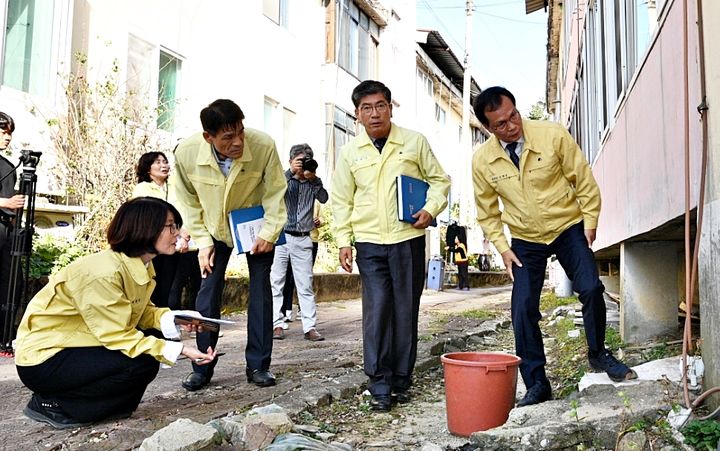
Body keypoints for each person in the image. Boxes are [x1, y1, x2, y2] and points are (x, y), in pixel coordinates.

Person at [471, 86, 637, 407]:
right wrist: (504, 248)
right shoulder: (483, 161)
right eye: (501, 125)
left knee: (590, 287)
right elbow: (487, 211)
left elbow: (583, 180)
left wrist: (590, 222)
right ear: (488, 129)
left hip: (567, 226)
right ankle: (537, 382)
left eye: (513, 116)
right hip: (525, 239)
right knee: (522, 309)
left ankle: (598, 353)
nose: (512, 126)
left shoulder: (552, 135)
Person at [14, 197, 217, 429]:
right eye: (171, 226)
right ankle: (53, 404)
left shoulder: (139, 264)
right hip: (44, 358)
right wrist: (181, 349)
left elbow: (140, 312)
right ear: (145, 228)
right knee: (138, 363)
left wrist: (177, 318)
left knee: (143, 365)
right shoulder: (103, 272)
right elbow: (117, 335)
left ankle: (89, 406)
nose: (178, 233)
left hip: (78, 345)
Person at [332, 80, 450, 411]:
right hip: (369, 242)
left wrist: (430, 208)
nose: (375, 113)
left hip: (408, 239)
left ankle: (401, 377)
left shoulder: (413, 142)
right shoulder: (350, 152)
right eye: (367, 108)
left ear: (390, 108)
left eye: (380, 105)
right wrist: (343, 240)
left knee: (405, 309)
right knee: (377, 310)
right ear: (357, 114)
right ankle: (379, 381)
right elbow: (341, 199)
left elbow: (440, 180)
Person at [174, 99, 287, 390]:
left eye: (240, 132)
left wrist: (270, 232)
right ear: (208, 137)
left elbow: (276, 191)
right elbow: (187, 200)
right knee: (207, 293)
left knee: (261, 291)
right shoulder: (187, 153)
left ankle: (259, 365)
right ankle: (202, 364)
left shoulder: (263, 146)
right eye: (227, 137)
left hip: (255, 227)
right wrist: (202, 240)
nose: (238, 142)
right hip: (213, 229)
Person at [270, 144, 328, 341]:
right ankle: (277, 325)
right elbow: (272, 192)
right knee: (276, 281)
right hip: (281, 237)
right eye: (299, 161)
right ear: (291, 161)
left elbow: (324, 197)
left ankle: (309, 327)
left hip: (304, 237)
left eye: (306, 161)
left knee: (305, 284)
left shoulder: (312, 183)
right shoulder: (282, 180)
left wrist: (313, 178)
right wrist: (290, 172)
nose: (303, 166)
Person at [131, 152, 195, 309]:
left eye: (165, 161)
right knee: (158, 287)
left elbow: (188, 209)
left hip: (181, 243)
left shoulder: (176, 185)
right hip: (156, 245)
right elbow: (147, 217)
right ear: (148, 168)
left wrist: (183, 235)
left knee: (175, 287)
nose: (163, 165)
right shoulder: (142, 188)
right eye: (158, 162)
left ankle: (171, 322)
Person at [0, 112, 25, 352]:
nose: (7, 138)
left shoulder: (8, 166)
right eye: (3, 132)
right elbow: (6, 201)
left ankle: (4, 337)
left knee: (11, 283)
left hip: (9, 231)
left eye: (9, 133)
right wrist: (5, 203)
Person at [278, 203, 321, 322]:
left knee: (305, 280)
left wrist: (319, 221)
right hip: (285, 236)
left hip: (309, 238)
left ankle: (307, 320)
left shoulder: (314, 198)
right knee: (283, 278)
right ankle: (282, 315)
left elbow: (322, 217)